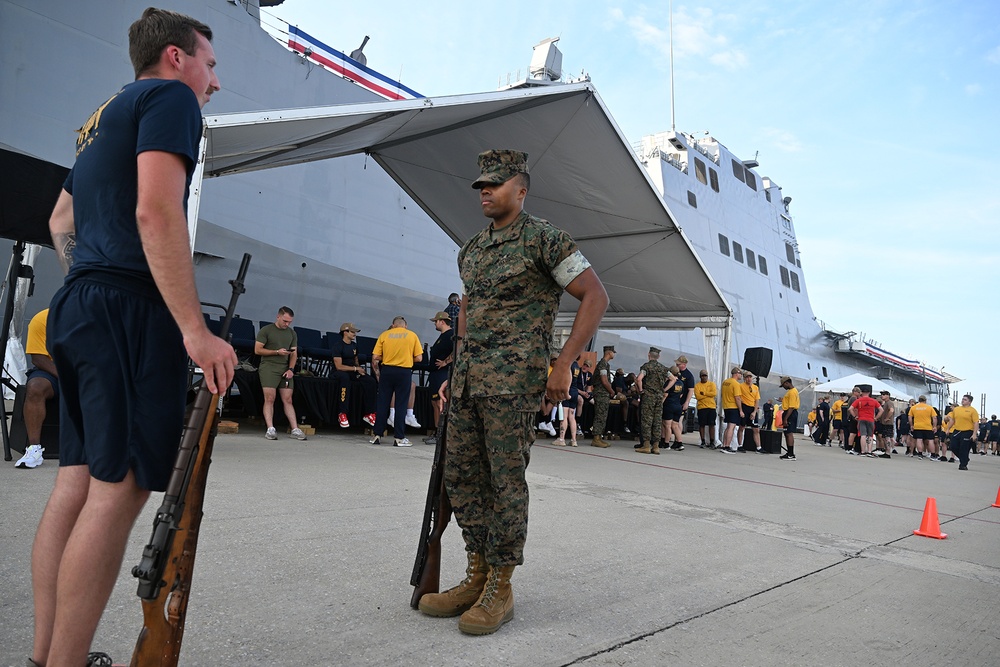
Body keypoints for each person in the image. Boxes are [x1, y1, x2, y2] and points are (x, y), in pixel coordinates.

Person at [29, 9, 237, 666]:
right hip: (127, 308)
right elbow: (155, 208)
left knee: (79, 481)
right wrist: (194, 330)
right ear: (176, 57)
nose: (215, 82)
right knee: (117, 489)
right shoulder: (172, 99)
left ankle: (46, 655)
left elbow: (61, 215)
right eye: (210, 63)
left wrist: (86, 276)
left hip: (80, 302)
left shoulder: (103, 117)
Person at [417, 149, 607, 635]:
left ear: (520, 191)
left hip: (513, 386)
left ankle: (500, 587)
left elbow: (595, 295)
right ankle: (476, 574)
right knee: (461, 480)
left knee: (505, 484)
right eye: (481, 184)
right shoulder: (472, 250)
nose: (485, 190)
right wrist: (452, 374)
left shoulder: (545, 240)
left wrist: (563, 363)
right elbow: (468, 311)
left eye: (496, 184)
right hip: (467, 385)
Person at [14, 309, 58, 469]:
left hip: (88, 373)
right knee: (35, 387)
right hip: (54, 371)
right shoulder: (42, 319)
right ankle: (34, 449)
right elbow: (38, 358)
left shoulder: (100, 318)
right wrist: (69, 379)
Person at [255, 306, 306, 441]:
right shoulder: (266, 330)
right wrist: (277, 352)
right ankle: (270, 428)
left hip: (285, 368)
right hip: (269, 367)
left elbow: (294, 353)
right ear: (278, 317)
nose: (287, 324)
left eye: (289, 322)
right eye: (285, 321)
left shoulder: (292, 333)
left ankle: (295, 428)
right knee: (270, 398)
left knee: (288, 399)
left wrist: (291, 369)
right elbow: (258, 350)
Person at [370, 316, 423, 446]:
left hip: (387, 370)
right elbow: (419, 358)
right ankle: (399, 437)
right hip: (403, 372)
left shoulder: (384, 335)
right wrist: (406, 357)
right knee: (401, 404)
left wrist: (387, 356)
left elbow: (376, 356)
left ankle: (377, 435)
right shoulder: (412, 335)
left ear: (393, 325)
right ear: (405, 326)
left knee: (382, 402)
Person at [330, 322, 377, 429]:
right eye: (352, 332)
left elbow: (355, 361)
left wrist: (359, 370)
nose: (354, 334)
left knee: (370, 381)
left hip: (352, 371)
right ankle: (342, 413)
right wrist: (356, 369)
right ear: (345, 332)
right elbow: (339, 366)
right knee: (344, 378)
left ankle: (370, 413)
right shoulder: (338, 346)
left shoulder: (354, 346)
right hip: (339, 372)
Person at [424, 311, 455, 445]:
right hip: (435, 373)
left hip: (442, 373)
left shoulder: (450, 335)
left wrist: (445, 362)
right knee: (434, 402)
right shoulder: (442, 336)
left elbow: (457, 350)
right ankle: (437, 431)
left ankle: (440, 433)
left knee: (439, 402)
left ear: (442, 321)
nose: (435, 324)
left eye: (435, 322)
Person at [634, 347, 668, 454]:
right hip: (659, 397)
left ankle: (646, 445)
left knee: (646, 420)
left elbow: (639, 379)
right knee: (657, 421)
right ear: (658, 356)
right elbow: (673, 379)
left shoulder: (646, 367)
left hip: (648, 396)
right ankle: (656, 446)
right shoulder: (663, 368)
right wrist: (663, 389)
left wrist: (640, 390)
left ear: (649, 355)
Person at [943, 394, 979, 470]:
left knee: (964, 448)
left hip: (968, 431)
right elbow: (952, 420)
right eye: (962, 399)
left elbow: (976, 422)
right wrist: (948, 428)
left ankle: (963, 464)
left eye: (965, 399)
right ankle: (964, 458)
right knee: (953, 446)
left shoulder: (972, 410)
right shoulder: (957, 409)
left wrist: (974, 434)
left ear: (969, 402)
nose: (963, 400)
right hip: (957, 430)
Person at [589, 346, 616, 447]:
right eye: (613, 352)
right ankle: (596, 438)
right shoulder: (603, 364)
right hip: (601, 393)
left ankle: (599, 437)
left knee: (603, 415)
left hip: (603, 393)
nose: (614, 354)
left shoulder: (605, 364)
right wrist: (612, 391)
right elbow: (604, 381)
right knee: (600, 415)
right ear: (609, 353)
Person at [849, 386, 883, 457]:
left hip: (861, 419)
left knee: (863, 435)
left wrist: (855, 416)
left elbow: (850, 409)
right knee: (870, 435)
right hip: (870, 419)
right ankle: (869, 451)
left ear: (862, 393)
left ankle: (863, 451)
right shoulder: (874, 401)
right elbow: (881, 410)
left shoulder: (858, 400)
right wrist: (876, 418)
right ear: (869, 393)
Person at [718, 366, 743, 454]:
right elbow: (737, 398)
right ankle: (727, 446)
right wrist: (740, 410)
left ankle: (724, 444)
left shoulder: (725, 382)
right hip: (733, 407)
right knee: (731, 428)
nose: (741, 376)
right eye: (740, 374)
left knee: (728, 427)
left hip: (726, 406)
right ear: (736, 374)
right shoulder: (736, 384)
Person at [661, 366, 686, 451]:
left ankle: (666, 443)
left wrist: (660, 403)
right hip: (678, 405)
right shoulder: (681, 383)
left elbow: (665, 395)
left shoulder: (669, 382)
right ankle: (680, 443)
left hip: (669, 405)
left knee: (667, 425)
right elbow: (681, 395)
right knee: (675, 426)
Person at [737, 371, 763, 453]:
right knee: (742, 427)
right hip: (744, 407)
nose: (749, 379)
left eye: (750, 377)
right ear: (744, 378)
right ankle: (740, 445)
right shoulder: (741, 386)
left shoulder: (755, 388)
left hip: (752, 408)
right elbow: (738, 398)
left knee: (756, 429)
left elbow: (757, 400)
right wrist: (741, 410)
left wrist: (755, 411)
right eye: (747, 377)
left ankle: (759, 447)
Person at [908, 395, 938, 460]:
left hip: (917, 426)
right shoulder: (929, 407)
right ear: (925, 400)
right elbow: (934, 417)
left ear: (919, 400)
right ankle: (932, 455)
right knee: (930, 440)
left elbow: (910, 417)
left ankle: (920, 454)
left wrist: (911, 425)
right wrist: (934, 426)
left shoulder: (913, 408)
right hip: (927, 426)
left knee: (919, 440)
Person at [777, 376, 800, 460]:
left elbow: (791, 407)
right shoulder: (792, 392)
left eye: (783, 385)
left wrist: (786, 418)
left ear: (787, 383)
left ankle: (791, 454)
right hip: (789, 413)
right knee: (786, 433)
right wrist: (783, 400)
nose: (783, 387)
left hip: (790, 413)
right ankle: (789, 452)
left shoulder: (792, 392)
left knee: (789, 433)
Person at [694, 369, 717, 448]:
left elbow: (714, 393)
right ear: (700, 377)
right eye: (702, 376)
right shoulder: (697, 386)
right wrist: (708, 395)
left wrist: (704, 393)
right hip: (702, 407)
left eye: (705, 376)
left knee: (711, 424)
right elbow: (698, 396)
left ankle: (712, 441)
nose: (704, 377)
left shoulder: (712, 384)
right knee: (702, 425)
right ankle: (702, 440)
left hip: (711, 407)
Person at [674, 355, 696, 434]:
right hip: (674, 399)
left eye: (678, 364)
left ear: (684, 364)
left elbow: (691, 390)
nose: (677, 366)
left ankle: (678, 438)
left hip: (682, 401)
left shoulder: (688, 376)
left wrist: (687, 402)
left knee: (679, 420)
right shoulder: (676, 372)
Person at [875, 391, 895, 456]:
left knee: (887, 437)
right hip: (884, 423)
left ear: (888, 395)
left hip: (888, 423)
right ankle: (886, 451)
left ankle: (888, 452)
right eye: (881, 395)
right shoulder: (885, 403)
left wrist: (887, 418)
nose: (882, 396)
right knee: (885, 437)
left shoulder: (889, 403)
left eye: (883, 395)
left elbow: (891, 410)